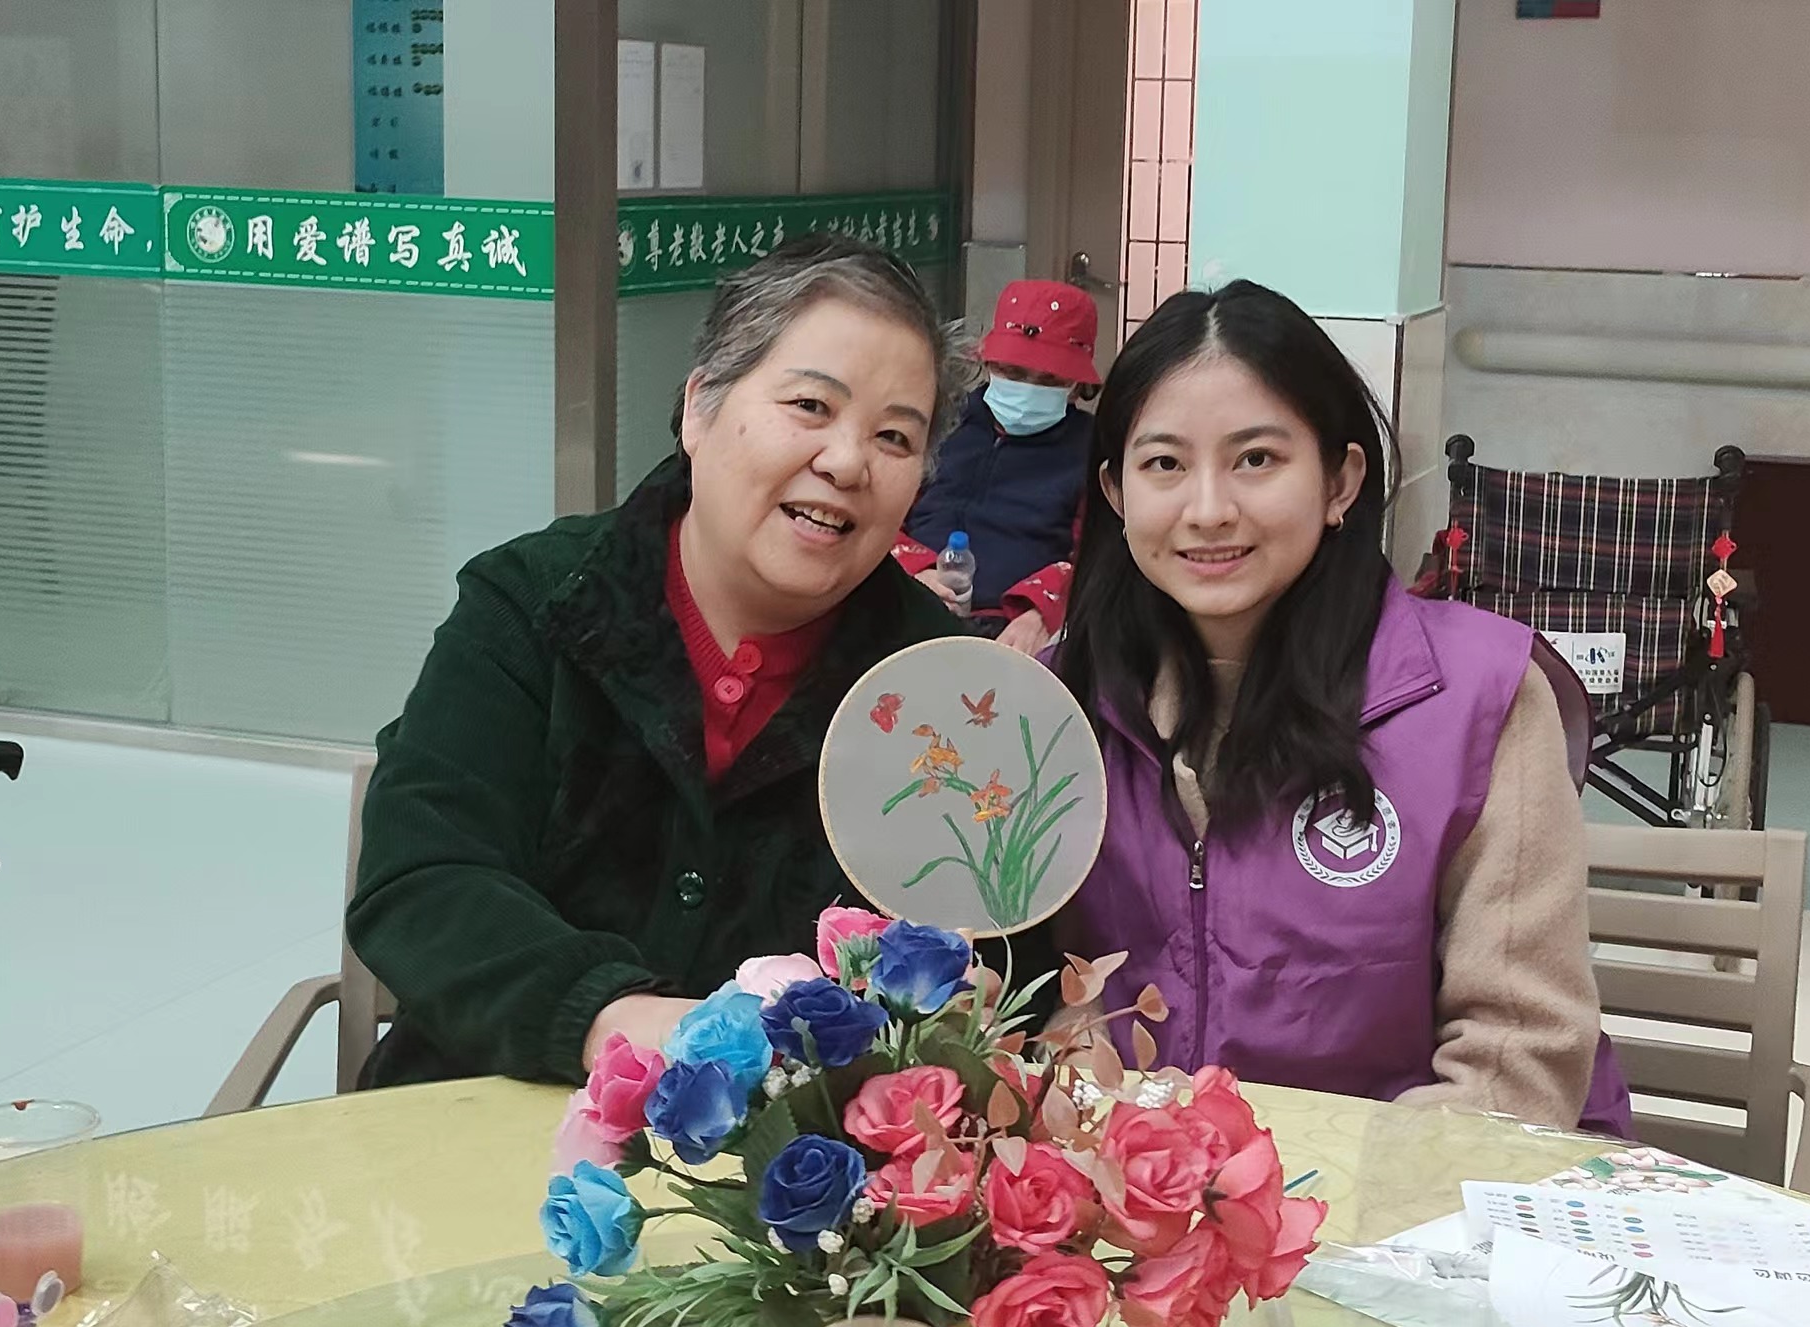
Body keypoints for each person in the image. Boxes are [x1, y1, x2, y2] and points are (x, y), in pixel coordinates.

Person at [349, 235, 979, 1088]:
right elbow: (425, 878)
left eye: (894, 437)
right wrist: (611, 1016)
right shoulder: (531, 604)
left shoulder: (946, 686)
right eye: (809, 406)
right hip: (480, 1109)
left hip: (797, 1160)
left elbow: (992, 946)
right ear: (699, 410)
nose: (845, 462)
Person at [1053, 281, 1632, 1136]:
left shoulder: (1483, 697)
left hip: (1422, 1191)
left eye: (1257, 459)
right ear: (1115, 492)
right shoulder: (1058, 706)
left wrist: (1282, 1198)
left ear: (1340, 481)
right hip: (1136, 1194)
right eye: (1165, 465)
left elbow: (1515, 1062)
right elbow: (1033, 1009)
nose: (1208, 510)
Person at [891, 280, 1099, 657]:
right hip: (904, 596)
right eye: (1014, 372)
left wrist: (1041, 612)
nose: (1028, 388)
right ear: (988, 363)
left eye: (1050, 380)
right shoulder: (943, 421)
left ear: (1077, 386)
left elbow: (1099, 555)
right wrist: (915, 569)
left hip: (1017, 628)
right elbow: (881, 510)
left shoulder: (1093, 450)